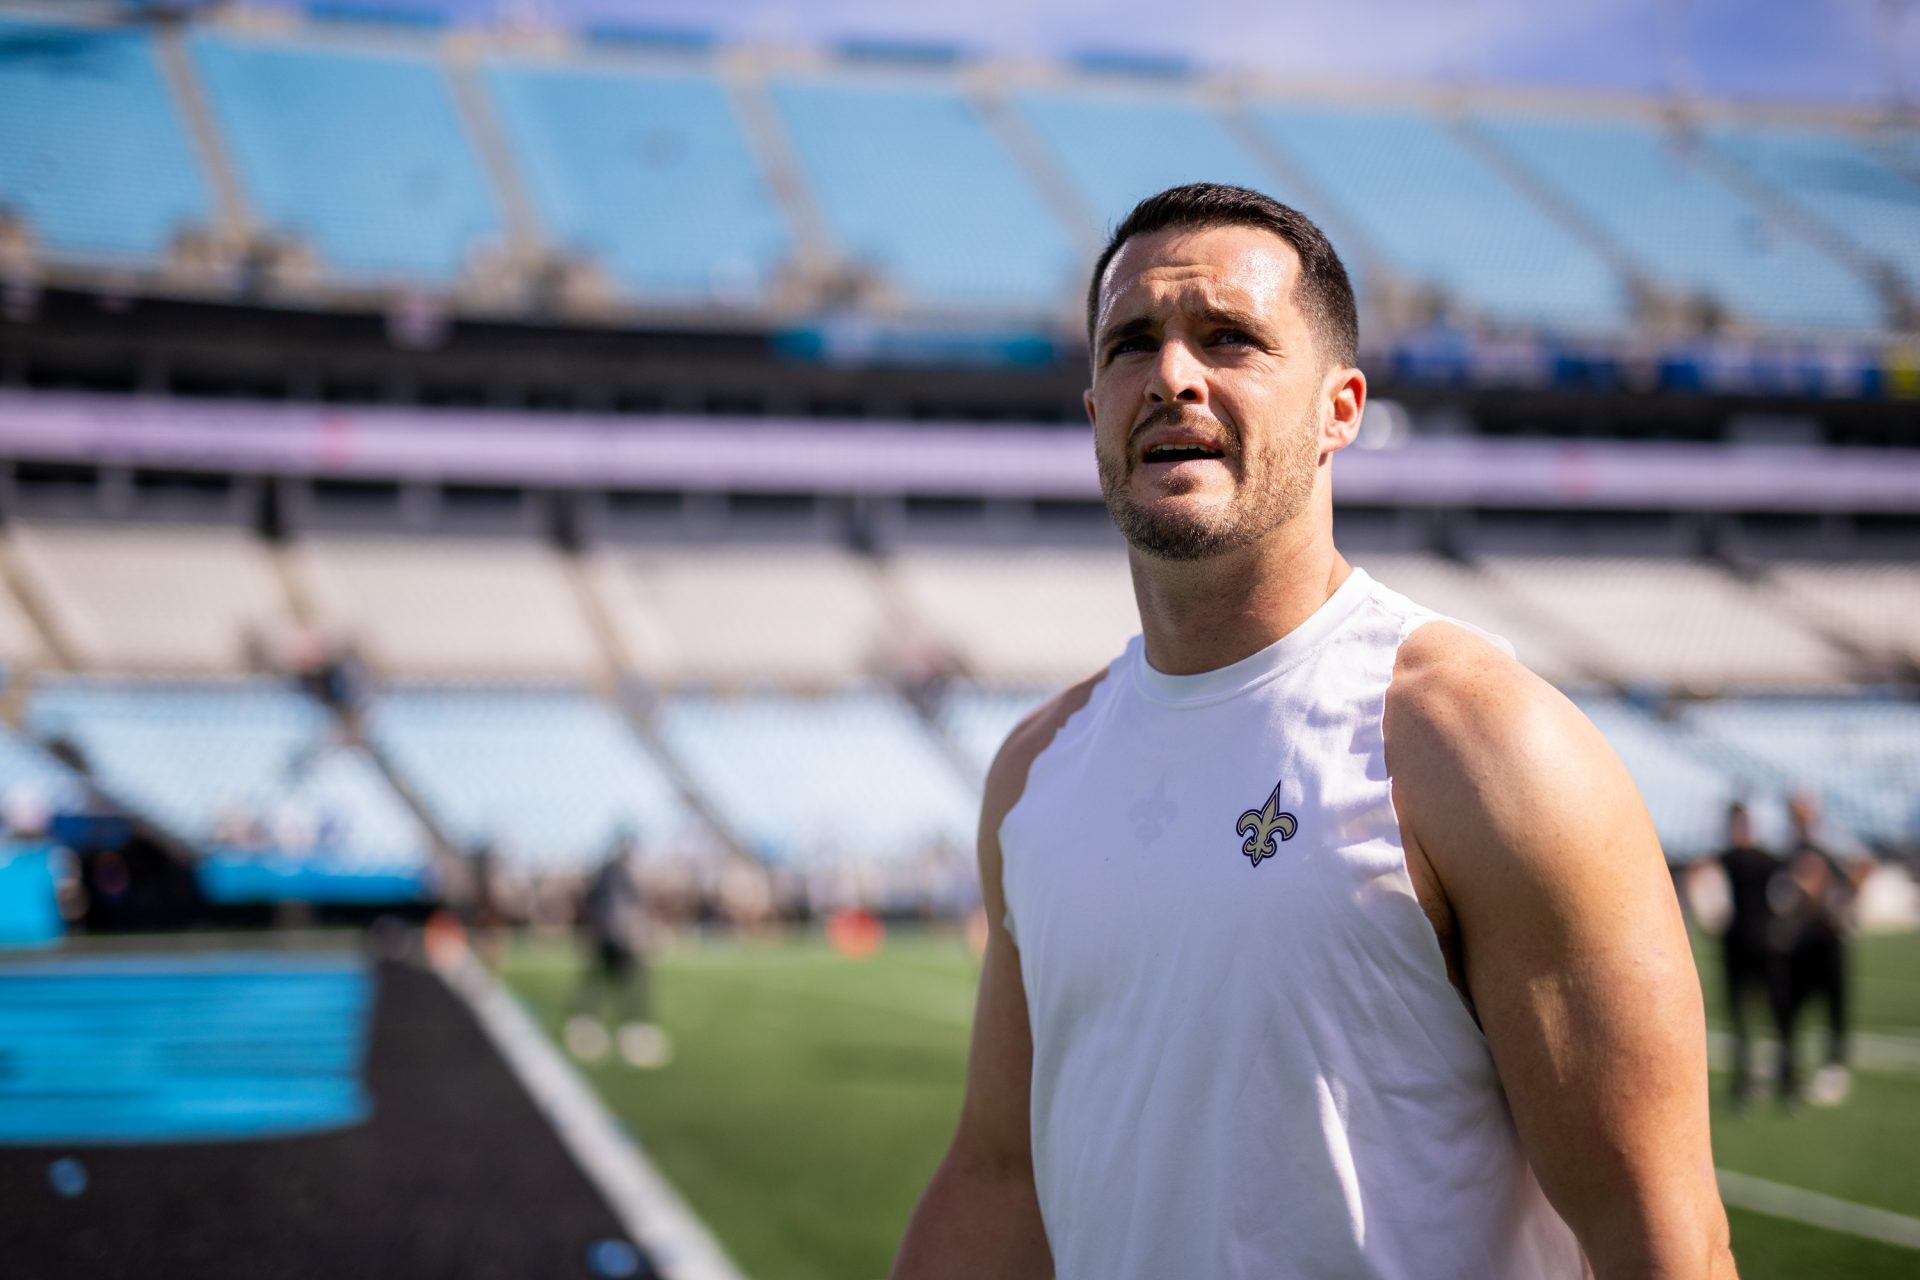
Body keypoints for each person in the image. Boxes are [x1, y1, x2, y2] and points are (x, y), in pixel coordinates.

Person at [891, 184, 1733, 1279]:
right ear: (1094, 407)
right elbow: (1000, 1173)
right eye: (1131, 344)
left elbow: (1660, 1233)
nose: (1173, 375)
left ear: (1341, 408)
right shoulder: (1034, 769)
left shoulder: (1476, 740)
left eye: (1229, 338)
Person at [1775, 791, 1869, 1107]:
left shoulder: (1829, 842)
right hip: (1802, 939)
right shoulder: (1789, 846)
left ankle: (1834, 1068)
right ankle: (1789, 1069)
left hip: (1828, 937)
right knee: (1790, 1007)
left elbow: (1863, 867)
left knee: (1834, 1006)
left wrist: (1839, 903)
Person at [1708, 801, 1791, 1106]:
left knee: (1778, 1013)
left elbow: (1787, 895)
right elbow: (1708, 899)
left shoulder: (1768, 860)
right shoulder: (1722, 861)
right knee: (1740, 1019)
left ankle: (1786, 1077)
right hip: (1735, 946)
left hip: (1765, 945)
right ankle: (1744, 1083)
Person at [566, 829, 671, 1069]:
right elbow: (623, 907)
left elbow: (592, 901)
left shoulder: (606, 870)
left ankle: (586, 1024)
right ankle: (630, 1030)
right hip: (616, 936)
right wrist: (633, 934)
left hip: (604, 934)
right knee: (630, 982)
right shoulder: (619, 872)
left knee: (600, 980)